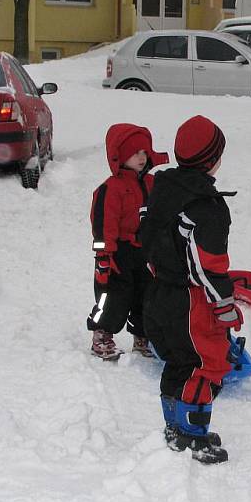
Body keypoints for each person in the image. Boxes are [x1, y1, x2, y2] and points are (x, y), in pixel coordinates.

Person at [141, 115, 240, 465]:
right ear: (213, 159)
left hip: (159, 292)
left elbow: (147, 240)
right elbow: (208, 265)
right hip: (191, 299)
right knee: (206, 364)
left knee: (179, 361)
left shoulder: (160, 189)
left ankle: (174, 426)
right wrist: (224, 306)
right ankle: (192, 435)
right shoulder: (206, 207)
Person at [88, 123, 168, 360]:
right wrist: (104, 257)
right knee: (114, 296)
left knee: (148, 294)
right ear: (120, 156)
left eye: (144, 152)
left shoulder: (151, 183)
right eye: (135, 153)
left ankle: (143, 338)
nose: (142, 157)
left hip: (144, 251)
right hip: (118, 253)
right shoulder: (110, 189)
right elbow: (103, 227)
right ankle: (102, 335)